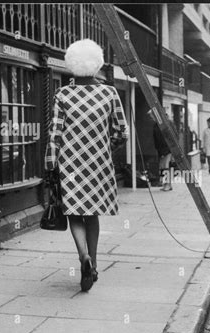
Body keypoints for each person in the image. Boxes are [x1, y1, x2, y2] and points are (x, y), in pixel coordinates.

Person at [45, 39, 128, 292]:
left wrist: (51, 164)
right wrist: (105, 147)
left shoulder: (63, 94)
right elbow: (121, 131)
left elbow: (55, 133)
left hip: (69, 162)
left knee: (74, 212)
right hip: (98, 163)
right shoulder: (109, 93)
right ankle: (94, 264)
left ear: (71, 65)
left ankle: (83, 257)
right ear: (97, 65)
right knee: (92, 214)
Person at [153, 119, 172, 191]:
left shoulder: (165, 124)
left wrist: (164, 151)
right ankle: (167, 184)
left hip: (166, 149)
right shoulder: (156, 125)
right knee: (163, 167)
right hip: (161, 149)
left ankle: (168, 184)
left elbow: (164, 139)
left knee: (165, 166)